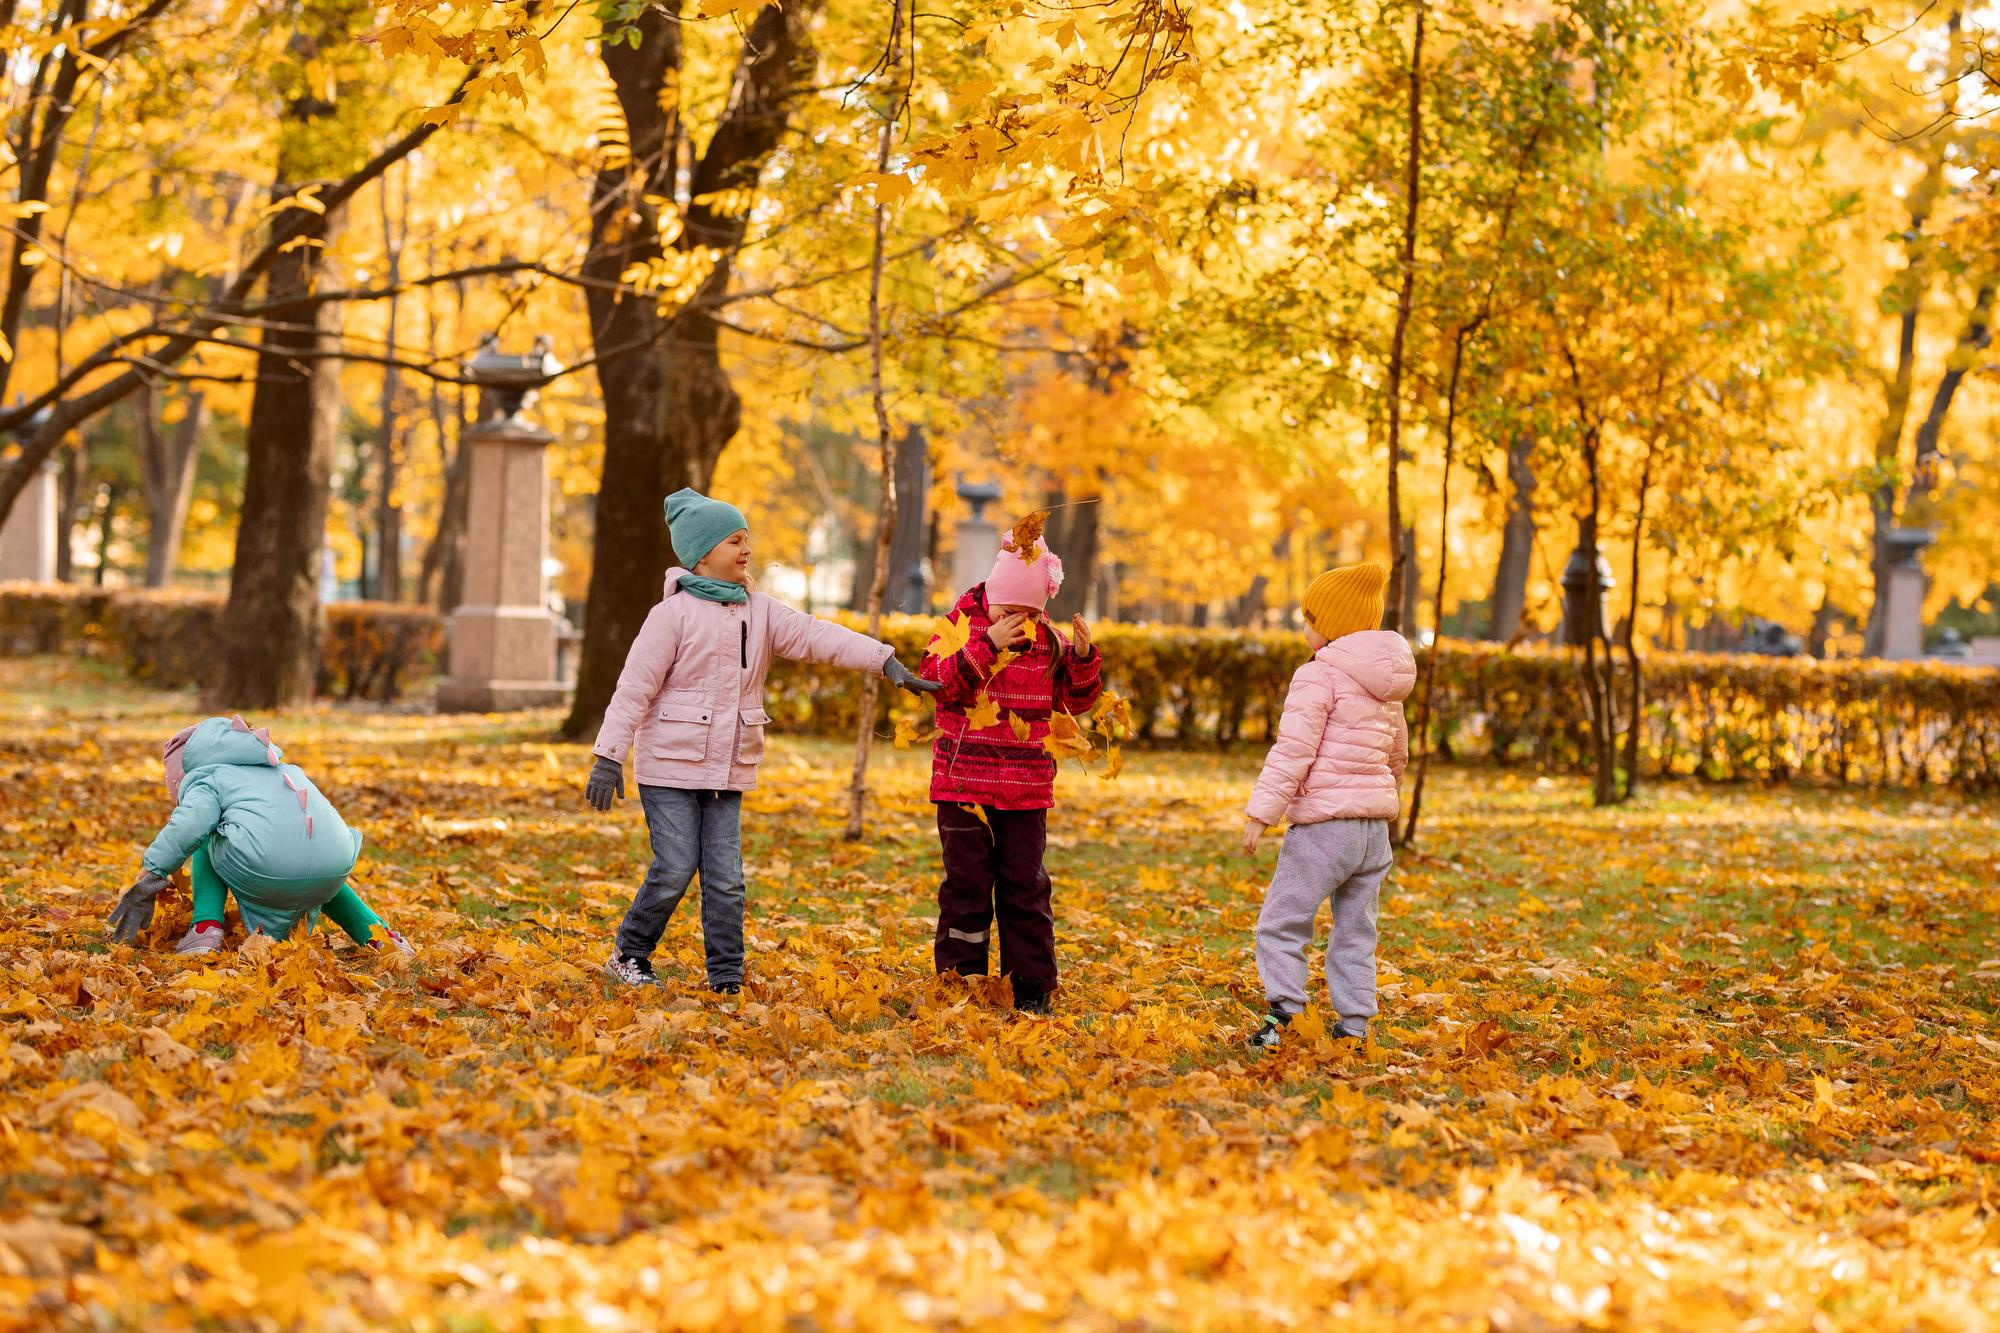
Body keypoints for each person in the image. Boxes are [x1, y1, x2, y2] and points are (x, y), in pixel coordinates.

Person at [586, 487, 938, 992]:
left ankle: (726, 975)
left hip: (728, 765)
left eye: (747, 538)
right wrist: (608, 756)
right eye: (734, 540)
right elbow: (633, 688)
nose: (746, 549)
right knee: (676, 866)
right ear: (703, 553)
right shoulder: (670, 617)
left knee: (726, 879)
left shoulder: (762, 611)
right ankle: (629, 953)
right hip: (670, 767)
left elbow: (820, 636)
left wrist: (885, 661)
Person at [920, 531, 1102, 1014]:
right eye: (1010, 614)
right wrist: (984, 645)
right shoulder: (960, 629)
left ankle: (1031, 988)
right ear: (992, 600)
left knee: (1026, 888)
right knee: (966, 886)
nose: (1021, 625)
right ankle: (962, 982)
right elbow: (938, 684)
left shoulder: (1050, 644)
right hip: (963, 786)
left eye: (1033, 615)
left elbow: (1075, 703)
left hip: (1026, 791)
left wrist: (1083, 660)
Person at [1241, 562, 1414, 1050]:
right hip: (1372, 833)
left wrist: (1262, 812)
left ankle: (1285, 1018)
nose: (1304, 625)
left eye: (1309, 616)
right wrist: (1375, 798)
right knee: (1357, 929)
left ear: (1331, 626)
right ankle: (1356, 1026)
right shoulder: (1387, 684)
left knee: (1283, 920)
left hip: (1324, 831)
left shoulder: (1318, 676)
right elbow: (1397, 756)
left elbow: (1294, 749)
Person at [107, 715, 411, 955]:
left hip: (270, 867)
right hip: (336, 862)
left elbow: (189, 824)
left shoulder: (209, 776)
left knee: (206, 833)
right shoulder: (284, 770)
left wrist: (151, 872)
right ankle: (380, 937)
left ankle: (205, 929)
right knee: (311, 862)